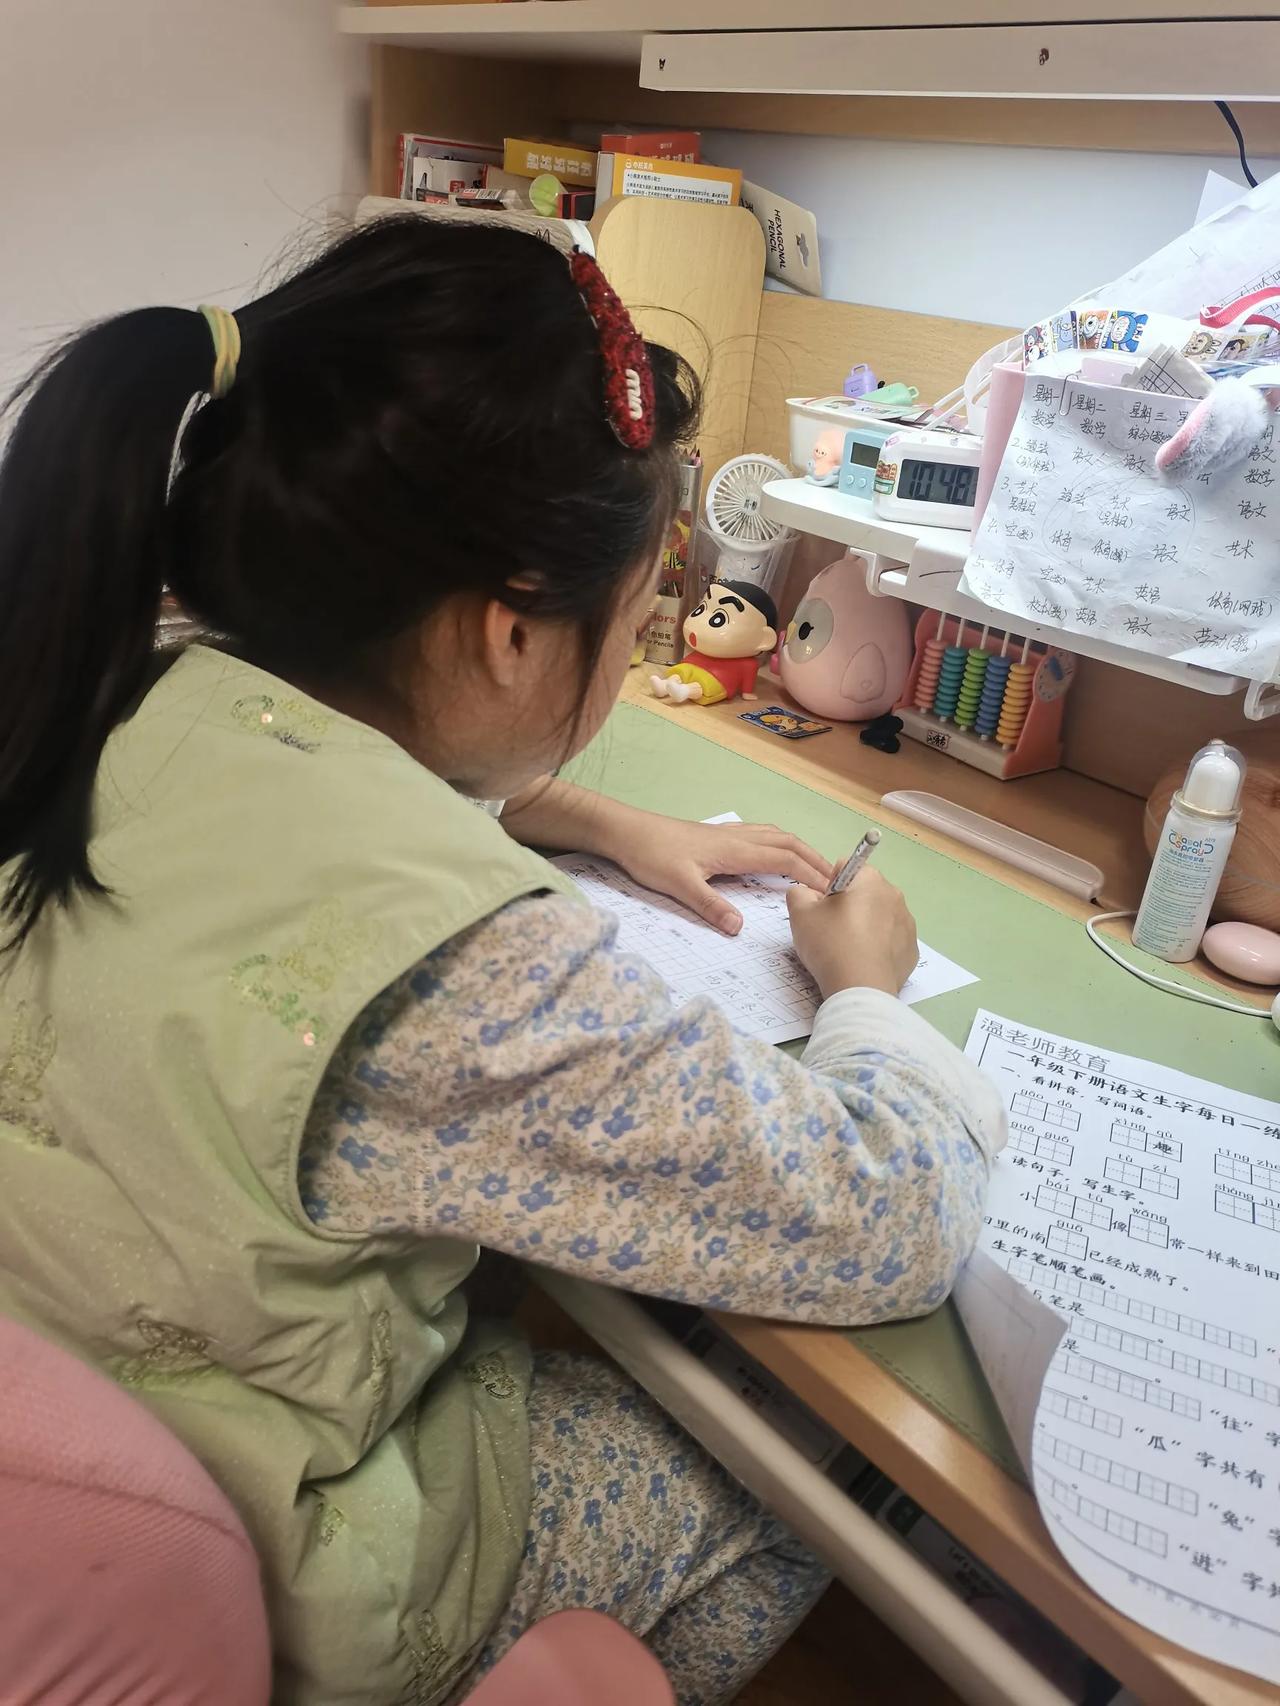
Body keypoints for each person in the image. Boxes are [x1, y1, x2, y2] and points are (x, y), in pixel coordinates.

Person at [0, 216, 1006, 1706]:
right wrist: (868, 988)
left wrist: (605, 820)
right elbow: (886, 1222)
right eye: (636, 613)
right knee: (807, 1451)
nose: (636, 643)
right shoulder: (473, 980)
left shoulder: (100, 666)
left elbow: (334, 779)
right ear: (510, 634)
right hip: (289, 1556)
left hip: (76, 1420)